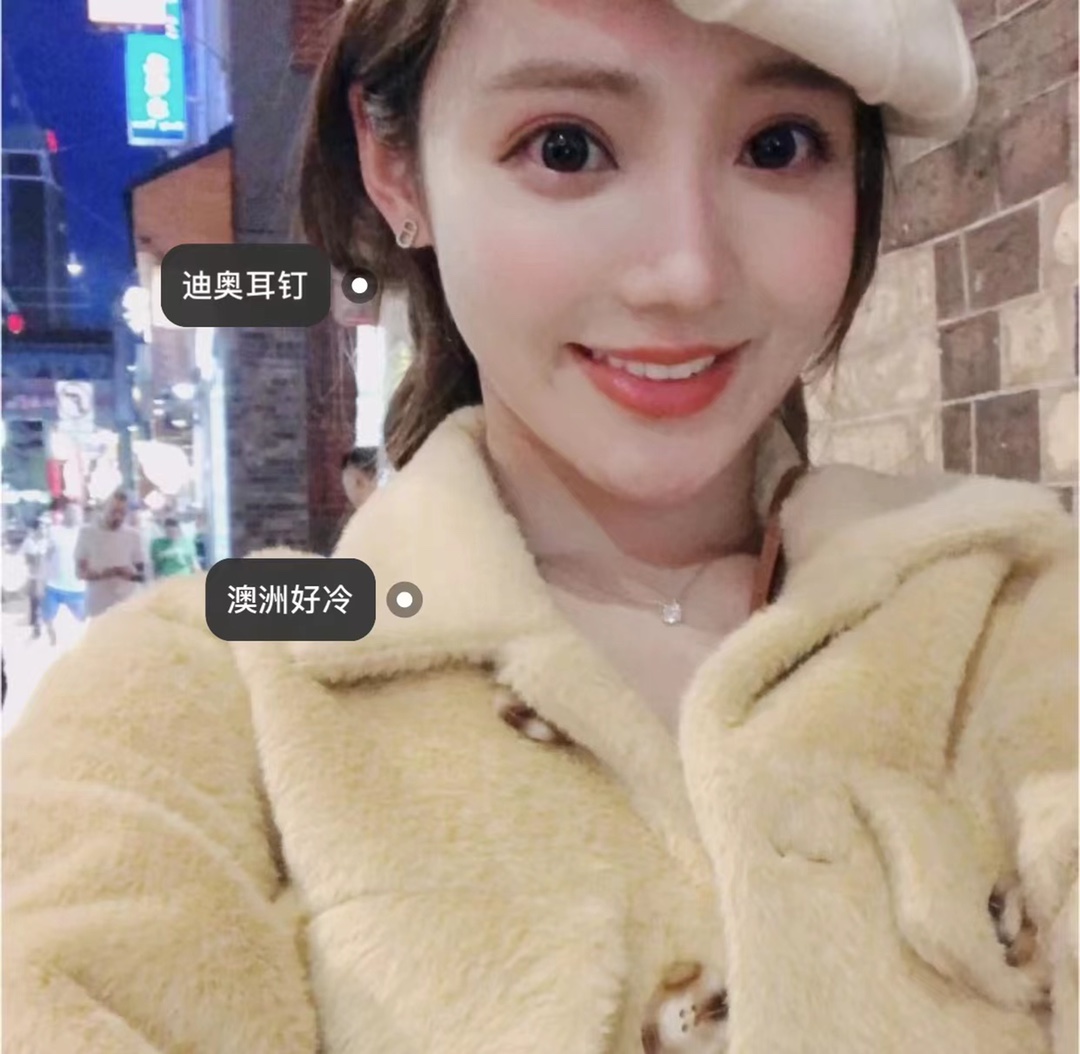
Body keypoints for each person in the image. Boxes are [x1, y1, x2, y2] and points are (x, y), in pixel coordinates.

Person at [3, 3, 1076, 1053]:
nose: (687, 272)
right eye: (566, 147)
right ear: (395, 167)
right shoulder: (199, 707)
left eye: (778, 145)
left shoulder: (1017, 620)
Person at [74, 489, 146, 619]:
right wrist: (104, 574)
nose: (118, 517)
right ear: (104, 508)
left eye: (122, 513)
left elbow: (143, 575)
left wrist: (129, 575)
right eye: (114, 512)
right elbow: (80, 573)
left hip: (127, 606)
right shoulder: (87, 533)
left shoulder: (133, 536)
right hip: (98, 607)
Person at [39, 499, 86, 646]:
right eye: (70, 512)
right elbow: (46, 556)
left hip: (77, 588)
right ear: (65, 514)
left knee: (84, 620)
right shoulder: (54, 532)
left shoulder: (85, 534)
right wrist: (42, 578)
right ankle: (52, 637)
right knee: (47, 617)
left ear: (81, 516)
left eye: (77, 513)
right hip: (54, 586)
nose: (74, 515)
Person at [19, 519, 49, 639]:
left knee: (39, 600)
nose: (44, 530)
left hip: (44, 576)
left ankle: (36, 622)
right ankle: (36, 624)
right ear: (36, 530)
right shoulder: (29, 542)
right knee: (36, 600)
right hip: (33, 576)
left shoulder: (46, 542)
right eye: (41, 528)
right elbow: (23, 558)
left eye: (45, 528)